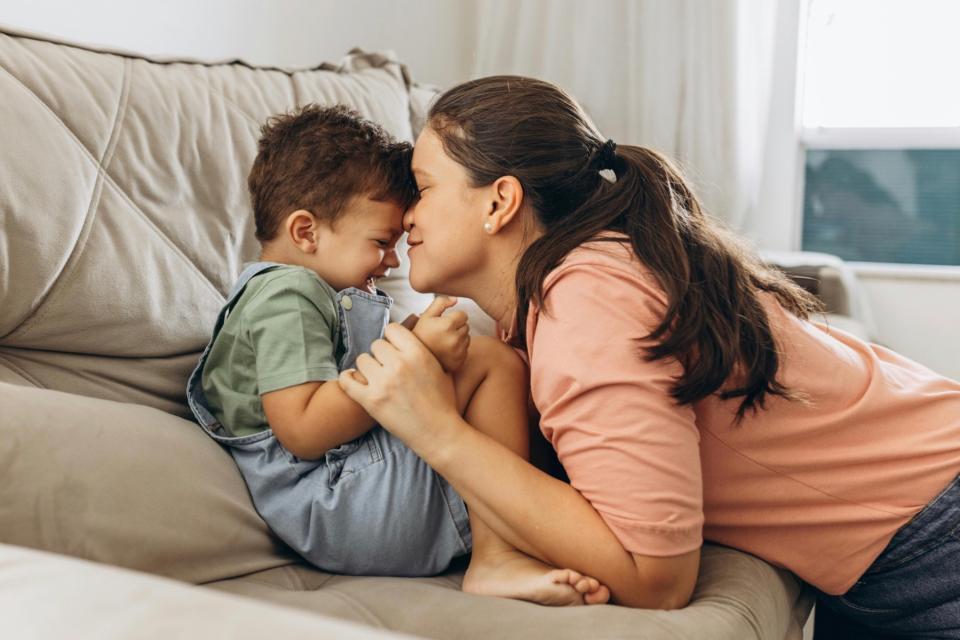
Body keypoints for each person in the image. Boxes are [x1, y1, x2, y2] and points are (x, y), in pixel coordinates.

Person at [338, 76, 960, 635]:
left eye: (421, 188)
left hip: (935, 541)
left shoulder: (584, 304)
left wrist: (436, 431)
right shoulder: (590, 273)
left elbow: (656, 578)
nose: (406, 215)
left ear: (500, 202)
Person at [185, 104, 608, 606]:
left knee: (506, 400)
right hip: (336, 501)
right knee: (490, 363)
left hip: (352, 494)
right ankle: (497, 557)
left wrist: (412, 340)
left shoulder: (310, 293)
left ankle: (550, 535)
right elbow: (303, 429)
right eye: (381, 241)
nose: (392, 259)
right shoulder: (286, 297)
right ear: (306, 232)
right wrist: (419, 352)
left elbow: (352, 380)